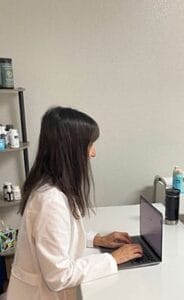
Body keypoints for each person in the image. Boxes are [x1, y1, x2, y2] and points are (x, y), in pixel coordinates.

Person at [6, 107, 143, 300]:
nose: (93, 153)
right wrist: (112, 259)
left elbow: (58, 238)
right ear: (71, 150)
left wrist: (97, 240)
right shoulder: (50, 201)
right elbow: (59, 276)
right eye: (89, 145)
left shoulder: (50, 184)